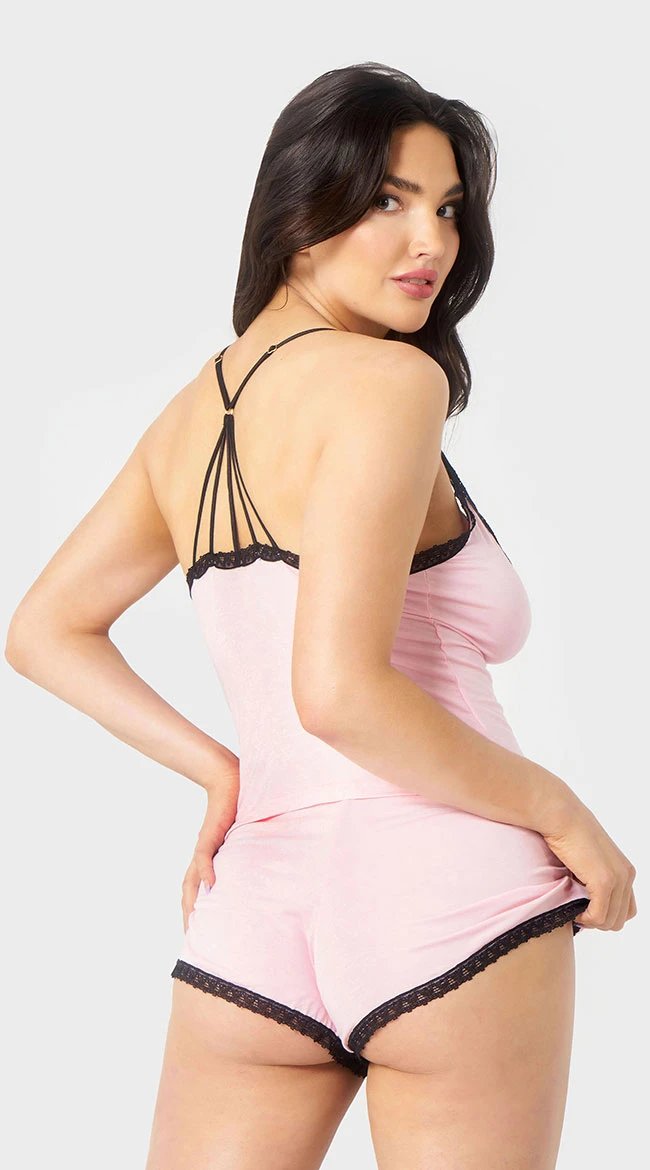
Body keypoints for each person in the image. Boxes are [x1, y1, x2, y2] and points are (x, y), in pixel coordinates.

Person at [5, 61, 636, 1170]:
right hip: (451, 898)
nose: (431, 242)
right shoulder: (391, 383)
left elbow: (43, 630)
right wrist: (562, 811)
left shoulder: (190, 414)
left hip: (254, 916)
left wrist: (224, 774)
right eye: (389, 200)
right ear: (299, 211)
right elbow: (338, 693)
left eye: (448, 209)